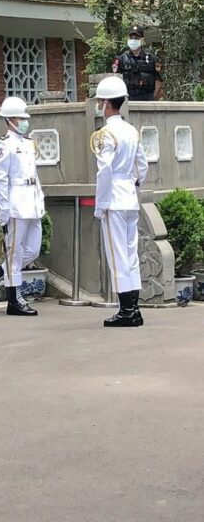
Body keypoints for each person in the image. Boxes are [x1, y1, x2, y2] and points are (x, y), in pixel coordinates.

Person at [0, 96, 46, 316]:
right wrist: (4, 211)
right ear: (9, 120)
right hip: (16, 204)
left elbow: (34, 175)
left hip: (32, 204)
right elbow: (0, 181)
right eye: (20, 118)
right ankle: (14, 299)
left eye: (25, 117)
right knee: (15, 253)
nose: (24, 121)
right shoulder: (3, 146)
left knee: (33, 250)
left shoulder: (28, 143)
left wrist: (40, 201)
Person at [91, 75, 149, 327]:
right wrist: (133, 185)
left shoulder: (106, 133)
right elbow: (143, 167)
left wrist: (100, 204)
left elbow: (104, 171)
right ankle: (134, 308)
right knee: (130, 252)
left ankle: (126, 310)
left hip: (113, 198)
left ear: (105, 103)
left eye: (100, 102)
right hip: (129, 196)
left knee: (117, 255)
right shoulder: (130, 130)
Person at [112, 25, 164, 101]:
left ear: (142, 40)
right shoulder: (121, 59)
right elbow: (115, 79)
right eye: (131, 38)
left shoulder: (151, 59)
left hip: (147, 97)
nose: (133, 40)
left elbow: (158, 79)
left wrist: (153, 96)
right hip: (127, 98)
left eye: (136, 38)